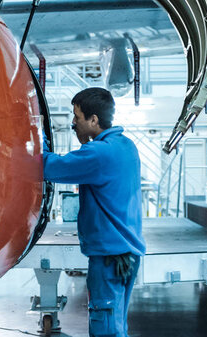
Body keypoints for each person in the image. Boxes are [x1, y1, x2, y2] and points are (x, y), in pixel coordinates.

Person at [43, 87, 146, 337]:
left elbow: (50, 167)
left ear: (94, 120)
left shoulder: (99, 153)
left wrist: (37, 140)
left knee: (105, 324)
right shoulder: (125, 145)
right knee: (116, 321)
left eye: (77, 118)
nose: (73, 123)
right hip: (127, 253)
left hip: (109, 257)